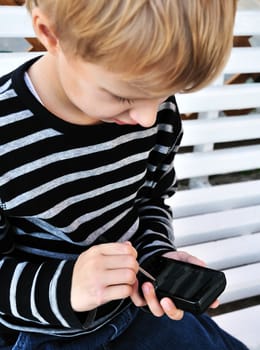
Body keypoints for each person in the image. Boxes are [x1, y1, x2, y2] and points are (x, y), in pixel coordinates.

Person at [0, 0, 249, 349]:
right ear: (51, 36)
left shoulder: (152, 108)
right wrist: (68, 288)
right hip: (42, 331)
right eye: (122, 96)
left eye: (164, 95)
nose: (148, 119)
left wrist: (156, 258)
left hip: (136, 310)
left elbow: (149, 199)